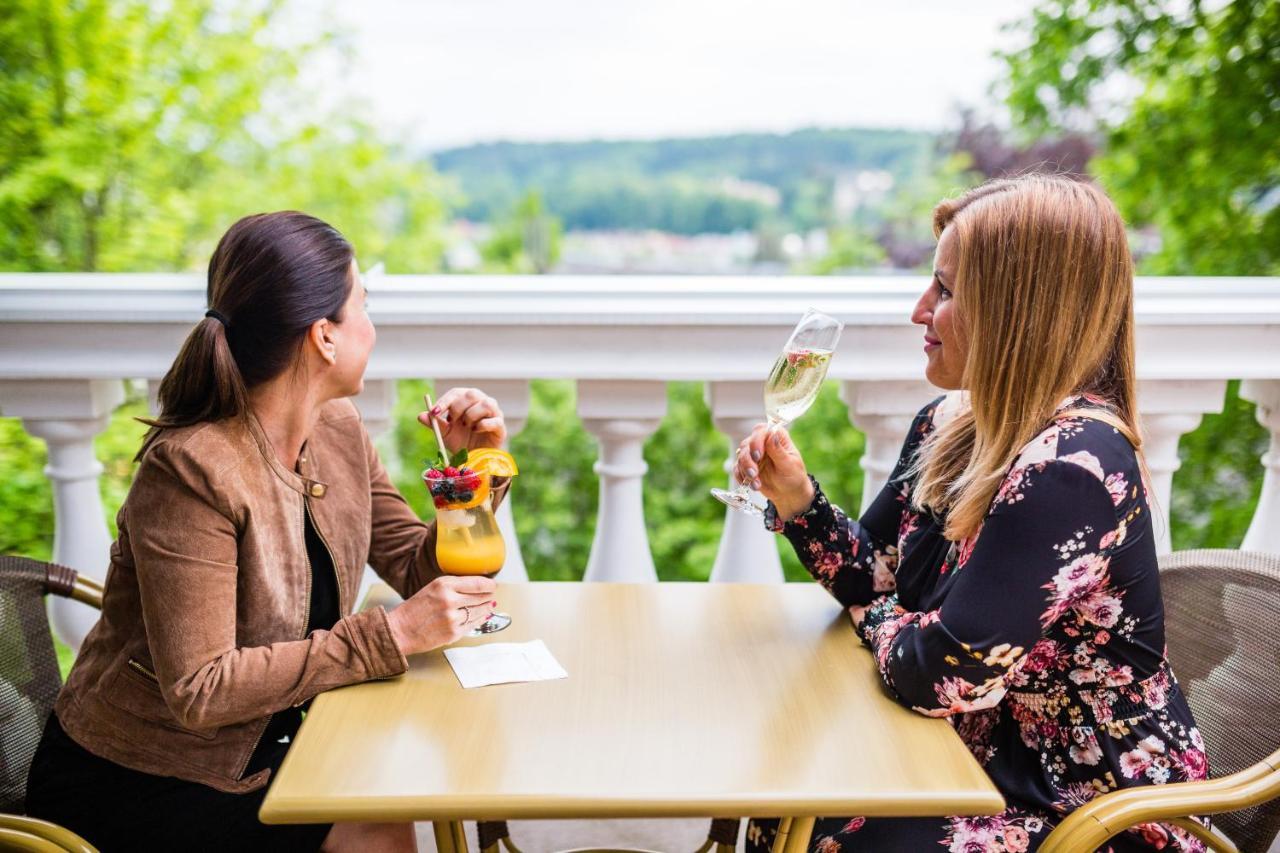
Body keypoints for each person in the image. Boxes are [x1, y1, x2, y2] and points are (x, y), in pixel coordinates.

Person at [737, 175, 1208, 852]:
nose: (919, 310)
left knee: (826, 835)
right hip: (979, 767)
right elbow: (873, 575)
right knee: (785, 803)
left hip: (1091, 814)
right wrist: (796, 499)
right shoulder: (954, 422)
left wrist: (880, 617)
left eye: (947, 290)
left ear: (1019, 308)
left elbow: (939, 674)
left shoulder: (1072, 466)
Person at [25, 211, 508, 852]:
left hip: (276, 737)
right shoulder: (191, 471)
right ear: (324, 338)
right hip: (143, 779)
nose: (373, 326)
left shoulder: (336, 428)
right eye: (363, 305)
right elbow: (202, 688)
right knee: (379, 824)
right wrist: (390, 633)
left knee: (392, 793)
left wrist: (474, 470)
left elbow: (418, 569)